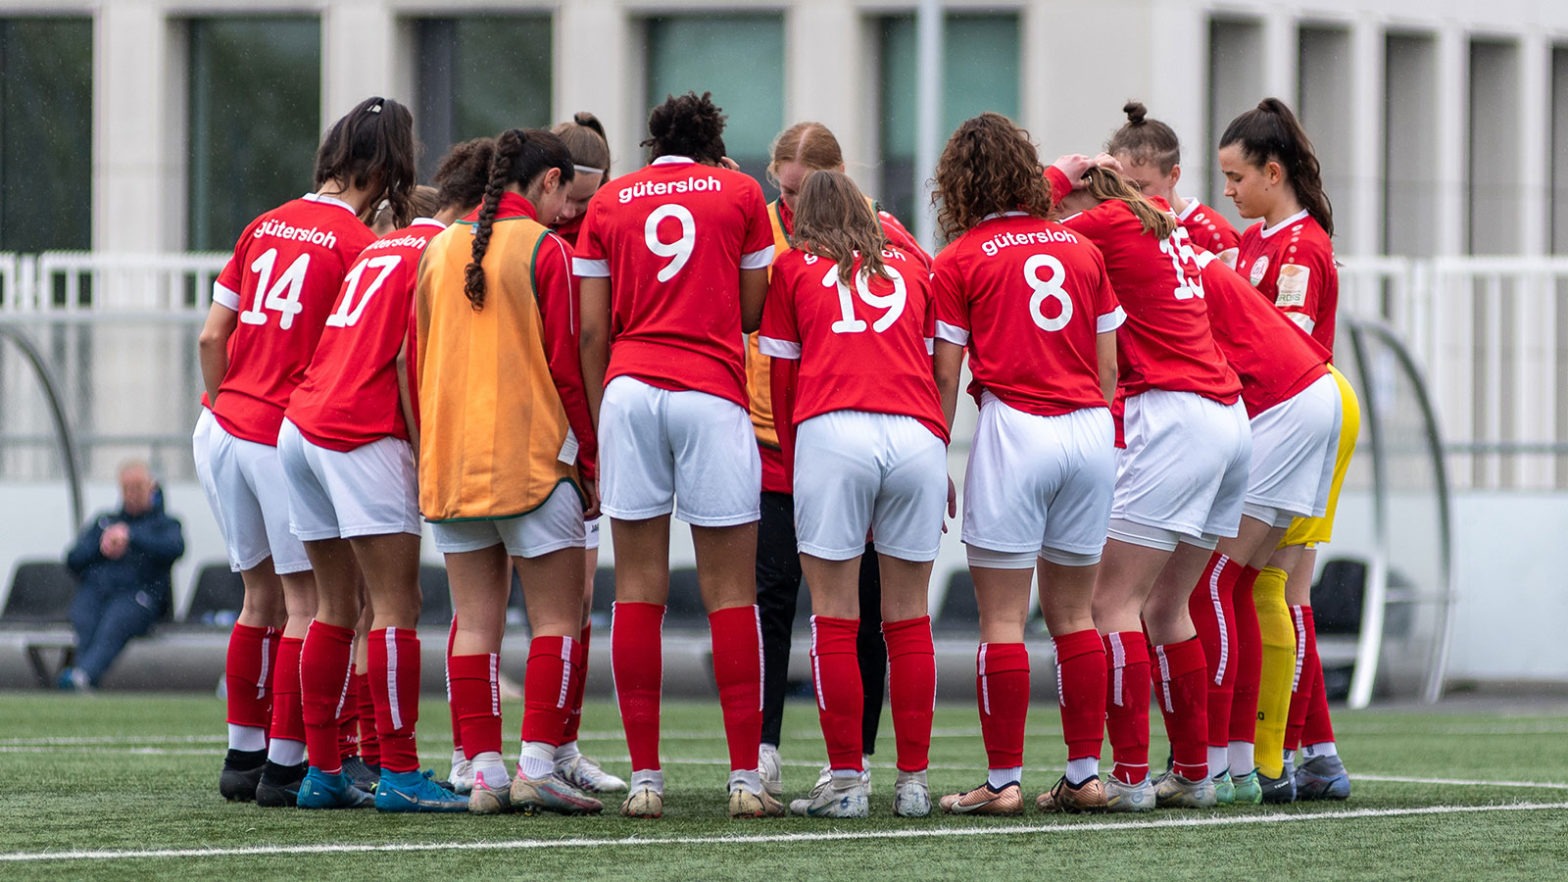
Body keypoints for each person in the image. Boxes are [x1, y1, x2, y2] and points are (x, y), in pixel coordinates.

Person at [198, 96, 416, 806]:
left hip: (222, 420)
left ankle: (242, 754)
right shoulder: (358, 244)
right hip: (283, 429)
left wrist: (223, 403)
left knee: (255, 597)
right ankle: (287, 766)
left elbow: (210, 336)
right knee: (317, 603)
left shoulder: (264, 222)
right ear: (386, 168)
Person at [575, 92, 779, 819]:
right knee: (731, 594)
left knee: (637, 589)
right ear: (713, 143)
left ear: (649, 144)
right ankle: (746, 780)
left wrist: (600, 425)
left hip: (630, 389)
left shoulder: (611, 200)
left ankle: (646, 781)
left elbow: (592, 333)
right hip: (711, 392)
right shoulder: (740, 190)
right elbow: (755, 311)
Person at [928, 113, 1122, 816]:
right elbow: (1109, 367)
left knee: (1003, 620)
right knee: (1075, 617)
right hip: (1089, 430)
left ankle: (1003, 781)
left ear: (959, 182)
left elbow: (946, 378)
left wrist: (934, 460)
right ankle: (1084, 773)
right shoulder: (1080, 249)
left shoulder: (958, 258)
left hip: (1016, 430)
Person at [1051, 164, 1249, 811]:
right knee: (1169, 607)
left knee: (1111, 603)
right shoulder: (1152, 221)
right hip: (1226, 417)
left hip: (1173, 413)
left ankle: (1131, 778)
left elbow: (1032, 232)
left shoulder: (1107, 220)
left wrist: (1058, 176)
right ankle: (1195, 774)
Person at [417, 128, 602, 817]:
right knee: (556, 619)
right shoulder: (544, 250)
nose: (568, 208)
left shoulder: (437, 250)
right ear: (548, 180)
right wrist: (589, 457)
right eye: (564, 193)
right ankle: (536, 767)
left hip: (452, 467)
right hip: (529, 464)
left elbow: (420, 364)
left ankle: (487, 775)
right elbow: (568, 365)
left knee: (474, 624)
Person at [759, 170, 945, 819]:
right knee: (909, 616)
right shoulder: (914, 264)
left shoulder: (793, 267)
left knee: (835, 615)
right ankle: (915, 785)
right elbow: (933, 363)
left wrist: (794, 456)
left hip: (834, 427)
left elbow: (782, 379)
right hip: (917, 431)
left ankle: (846, 783)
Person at [281, 176, 470, 811]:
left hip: (302, 425)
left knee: (335, 607)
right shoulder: (440, 251)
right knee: (396, 604)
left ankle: (324, 773)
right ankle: (400, 774)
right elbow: (402, 363)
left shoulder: (376, 247)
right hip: (361, 431)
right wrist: (426, 453)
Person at [1219, 97, 1358, 802]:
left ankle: (1273, 757)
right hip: (1284, 412)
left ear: (1274, 173)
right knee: (1267, 582)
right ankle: (1316, 754)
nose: (1228, 191)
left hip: (1300, 409)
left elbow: (1289, 347)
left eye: (1237, 176)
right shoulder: (1256, 240)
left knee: (1273, 583)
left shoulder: (1300, 246)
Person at [539, 111, 626, 797]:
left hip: (582, 436)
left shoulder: (605, 236)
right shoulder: (529, 240)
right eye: (571, 197)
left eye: (589, 201)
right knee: (495, 603)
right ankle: (474, 754)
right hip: (534, 436)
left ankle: (562, 745)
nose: (576, 211)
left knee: (580, 598)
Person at [60, 461, 185, 691]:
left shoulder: (165, 525)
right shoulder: (104, 522)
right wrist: (101, 546)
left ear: (152, 487)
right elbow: (73, 560)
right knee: (84, 612)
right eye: (127, 488)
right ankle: (83, 675)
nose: (133, 494)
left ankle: (83, 675)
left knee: (116, 619)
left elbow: (175, 549)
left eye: (138, 487)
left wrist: (131, 538)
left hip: (141, 598)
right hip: (100, 595)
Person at [1106, 101, 1241, 260]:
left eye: (1140, 187)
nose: (1130, 198)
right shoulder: (1116, 227)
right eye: (1121, 188)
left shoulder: (1215, 236)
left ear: (1173, 175)